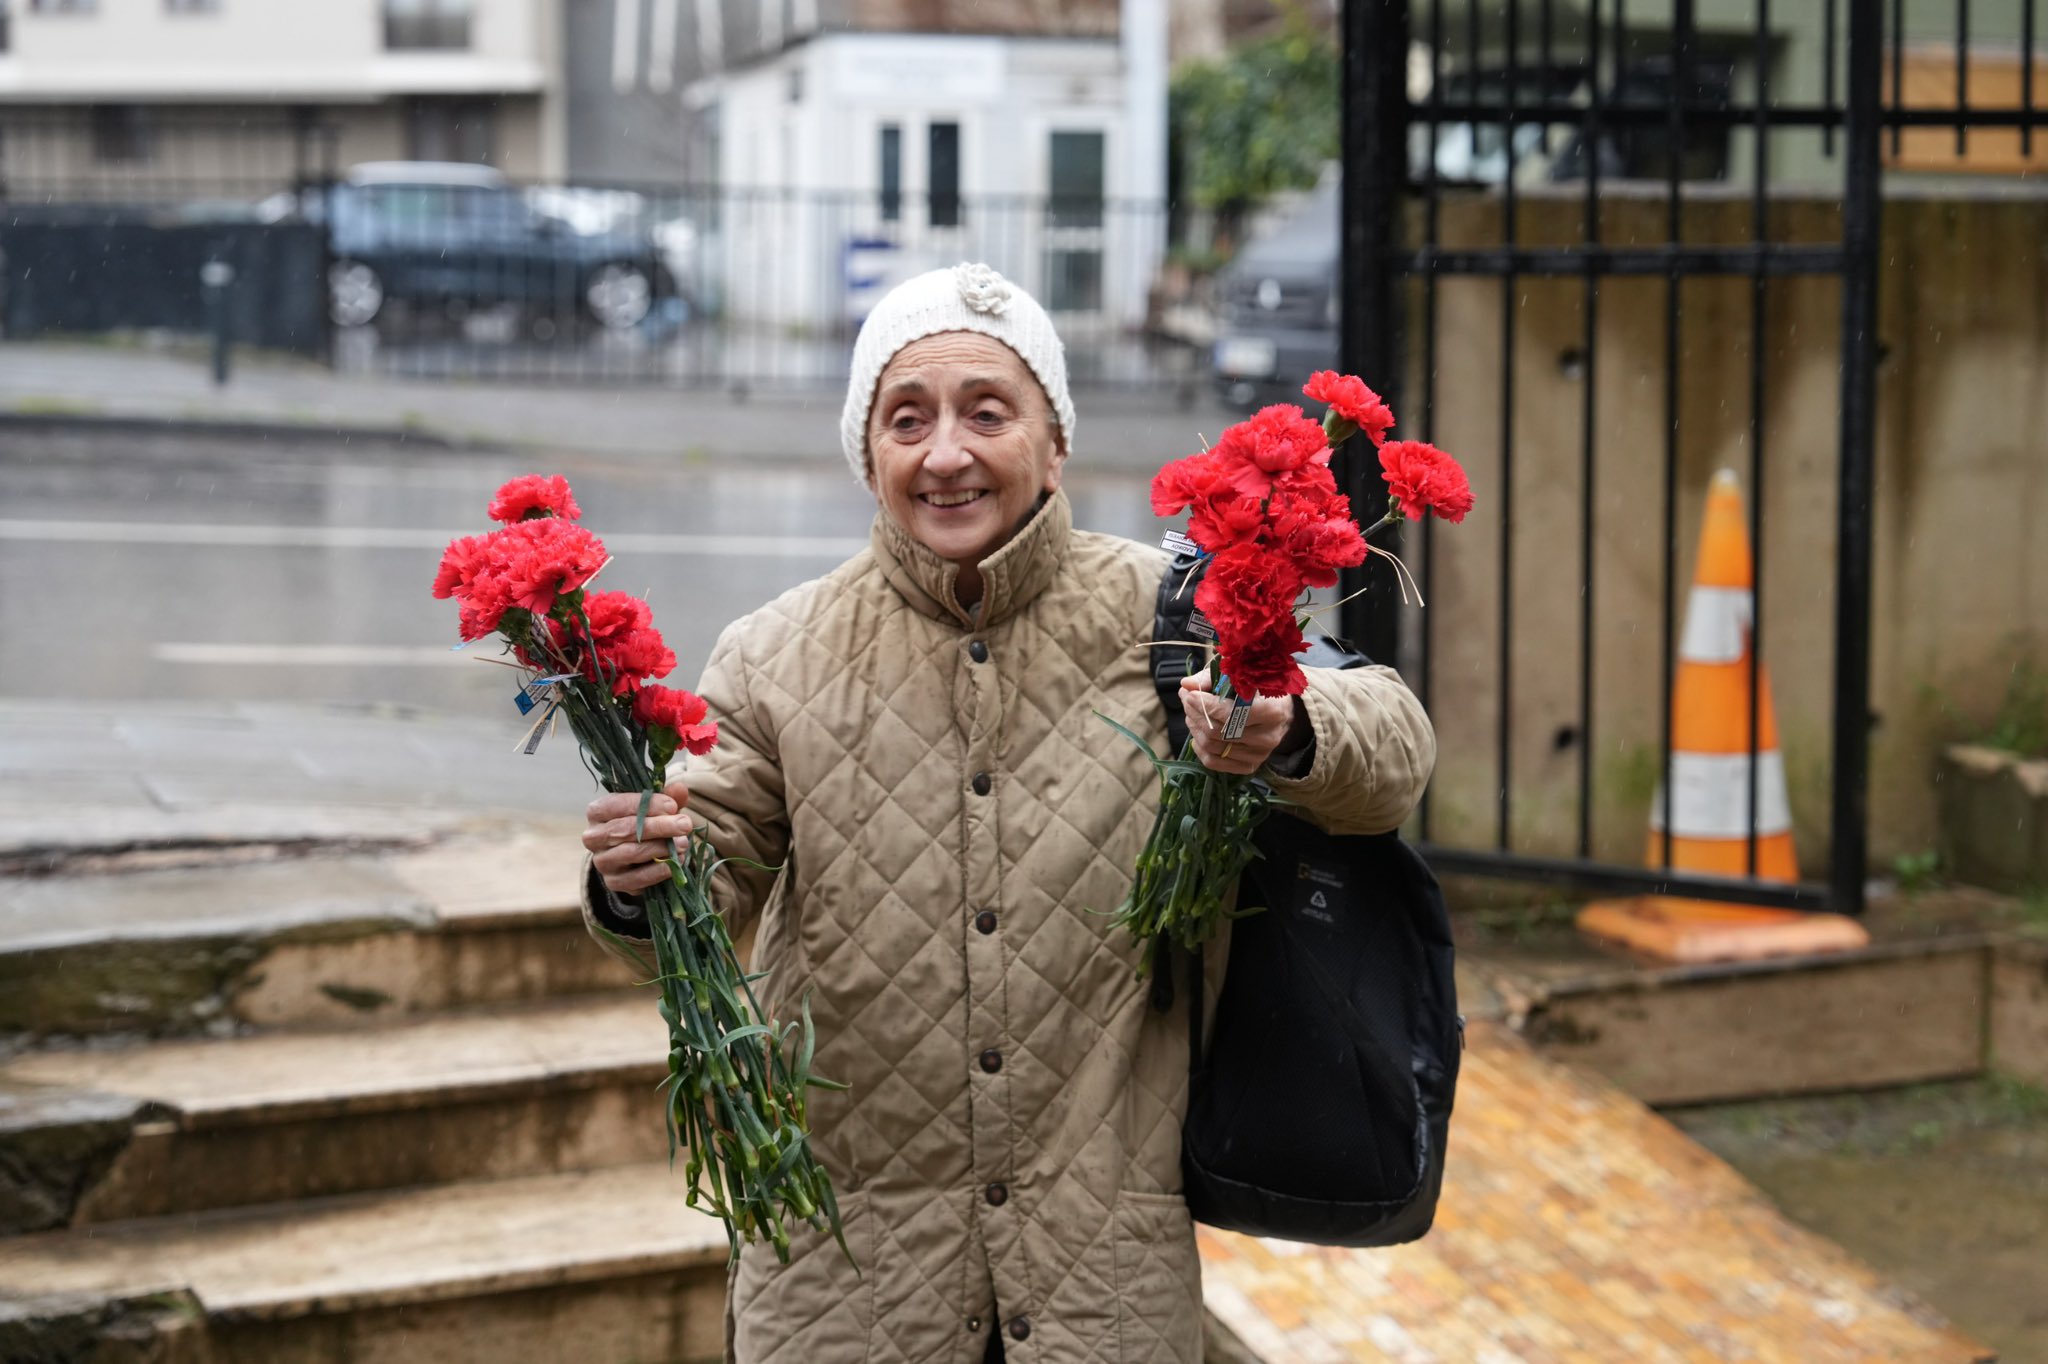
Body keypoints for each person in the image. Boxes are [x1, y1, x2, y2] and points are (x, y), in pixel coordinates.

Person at [581, 263, 1435, 1364]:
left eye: (988, 411)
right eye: (906, 418)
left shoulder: (1171, 611)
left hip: (1098, 1278)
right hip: (848, 1279)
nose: (946, 452)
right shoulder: (772, 652)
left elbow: (1394, 746)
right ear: (868, 453)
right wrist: (640, 873)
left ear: (1053, 439)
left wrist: (1292, 730)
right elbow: (709, 882)